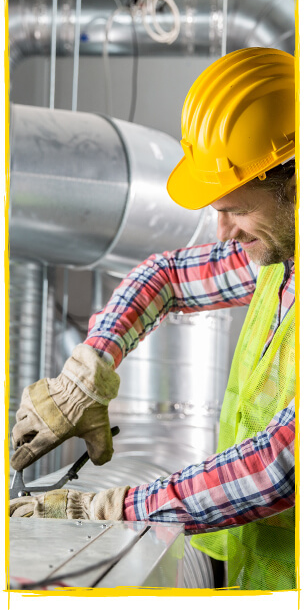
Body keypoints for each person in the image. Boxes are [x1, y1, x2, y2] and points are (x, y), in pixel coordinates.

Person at [10, 47, 296, 591]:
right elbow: (166, 277)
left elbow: (282, 466)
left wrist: (116, 507)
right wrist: (84, 374)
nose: (223, 231)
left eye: (235, 208)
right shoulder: (281, 257)